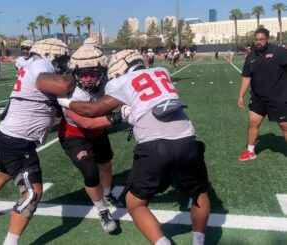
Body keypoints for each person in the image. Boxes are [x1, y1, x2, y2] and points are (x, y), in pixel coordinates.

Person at [58, 49, 210, 245]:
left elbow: (91, 110)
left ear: (119, 68)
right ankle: (199, 241)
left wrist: (65, 101)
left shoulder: (119, 81)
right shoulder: (162, 71)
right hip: (187, 139)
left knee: (136, 203)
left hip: (153, 145)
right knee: (199, 193)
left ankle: (163, 243)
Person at [0, 39, 73, 245]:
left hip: (7, 135)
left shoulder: (32, 66)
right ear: (49, 55)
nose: (63, 63)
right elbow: (62, 86)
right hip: (17, 140)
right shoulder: (41, 66)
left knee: (6, 172)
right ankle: (11, 242)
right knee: (32, 193)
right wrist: (75, 74)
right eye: (61, 59)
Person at [57, 44, 123, 233]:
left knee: (106, 165)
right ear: (75, 74)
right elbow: (86, 123)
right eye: (83, 74)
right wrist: (120, 116)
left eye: (93, 73)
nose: (88, 79)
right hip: (74, 133)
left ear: (102, 71)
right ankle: (102, 211)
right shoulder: (67, 92)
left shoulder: (108, 83)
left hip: (99, 132)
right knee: (90, 170)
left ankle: (108, 193)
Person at [237, 28, 287, 161]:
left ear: (267, 40)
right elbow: (246, 77)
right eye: (256, 40)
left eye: (261, 39)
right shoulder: (251, 56)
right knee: (253, 123)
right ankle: (250, 151)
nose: (258, 42)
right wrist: (241, 95)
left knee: (284, 126)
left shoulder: (279, 52)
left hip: (279, 97)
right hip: (258, 98)